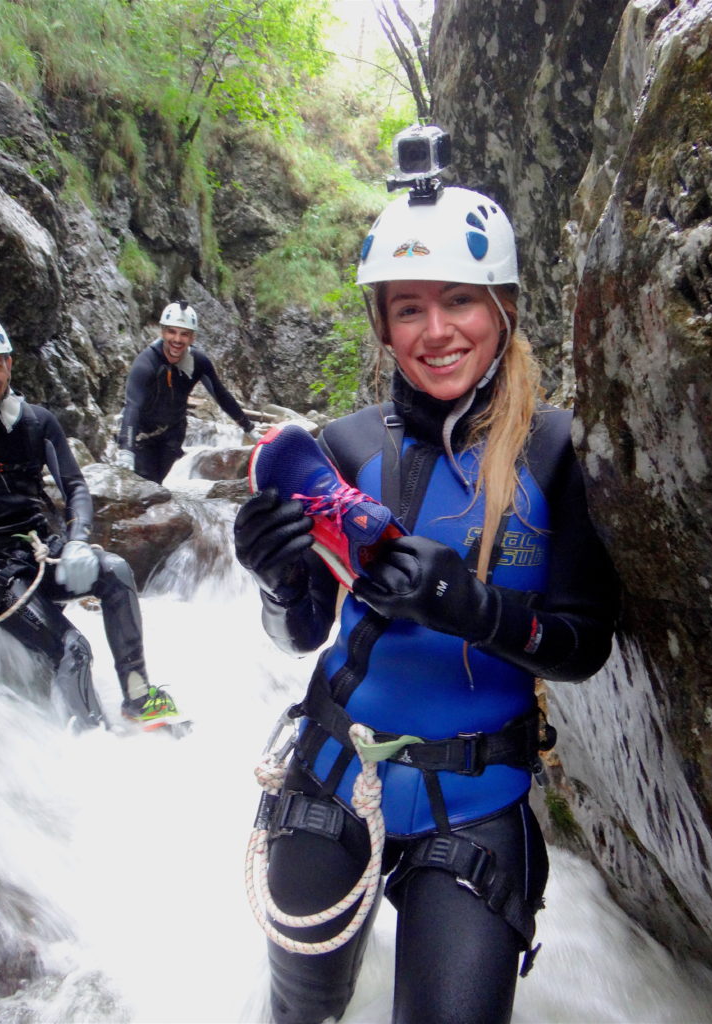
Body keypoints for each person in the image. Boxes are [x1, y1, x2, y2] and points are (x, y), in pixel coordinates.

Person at [234, 179, 619, 1024]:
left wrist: (472, 609)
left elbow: (585, 645)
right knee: (299, 1014)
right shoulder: (345, 448)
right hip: (332, 779)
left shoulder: (557, 451)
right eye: (408, 309)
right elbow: (301, 632)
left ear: (504, 308)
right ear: (382, 326)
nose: (436, 331)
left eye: (459, 302)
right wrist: (276, 579)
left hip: (477, 806)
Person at [0, 314, 178, 730]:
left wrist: (77, 541)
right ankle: (93, 745)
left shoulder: (36, 422)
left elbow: (76, 487)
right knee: (74, 649)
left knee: (117, 573)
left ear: (10, 366)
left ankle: (140, 698)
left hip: (36, 549)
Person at [116, 300, 256, 483]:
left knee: (157, 485)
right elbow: (132, 406)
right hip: (142, 437)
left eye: (184, 334)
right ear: (163, 332)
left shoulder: (198, 362)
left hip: (173, 436)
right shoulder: (146, 364)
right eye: (171, 332)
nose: (177, 340)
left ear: (192, 338)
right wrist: (127, 449)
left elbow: (221, 395)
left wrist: (248, 427)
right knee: (146, 487)